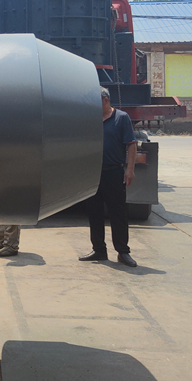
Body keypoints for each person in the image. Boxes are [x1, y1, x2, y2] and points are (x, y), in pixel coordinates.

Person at [80, 87, 138, 267]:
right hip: (93, 173)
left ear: (105, 100)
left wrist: (130, 170)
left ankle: (123, 252)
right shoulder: (91, 120)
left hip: (114, 172)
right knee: (94, 212)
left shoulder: (121, 118)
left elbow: (131, 144)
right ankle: (99, 249)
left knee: (118, 213)